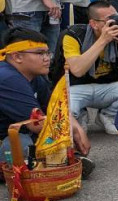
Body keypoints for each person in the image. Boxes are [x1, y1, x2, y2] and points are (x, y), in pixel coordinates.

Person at [0, 27, 90, 164]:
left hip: (17, 132)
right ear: (17, 56)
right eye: (40, 53)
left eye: (48, 53)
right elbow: (37, 124)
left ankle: (56, 163)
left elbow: (54, 108)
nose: (47, 58)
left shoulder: (34, 74)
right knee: (20, 143)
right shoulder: (7, 78)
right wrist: (72, 132)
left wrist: (77, 128)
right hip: (9, 137)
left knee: (53, 136)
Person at [52, 0, 118, 133]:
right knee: (67, 110)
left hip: (106, 87)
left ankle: (108, 115)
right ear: (93, 24)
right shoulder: (73, 35)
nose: (116, 23)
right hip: (75, 88)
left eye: (117, 18)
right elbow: (78, 70)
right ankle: (80, 115)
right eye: (110, 20)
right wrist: (103, 41)